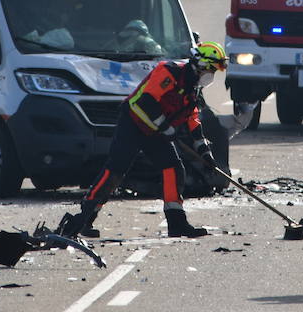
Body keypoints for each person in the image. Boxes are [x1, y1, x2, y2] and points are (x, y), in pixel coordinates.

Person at [58, 42, 228, 239]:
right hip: (133, 123)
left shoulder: (192, 89)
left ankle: (176, 222)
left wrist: (204, 153)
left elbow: (192, 120)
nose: (211, 76)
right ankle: (85, 216)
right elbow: (145, 103)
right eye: (211, 70)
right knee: (116, 170)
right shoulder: (169, 72)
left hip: (157, 130)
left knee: (173, 168)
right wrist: (166, 128)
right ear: (199, 65)